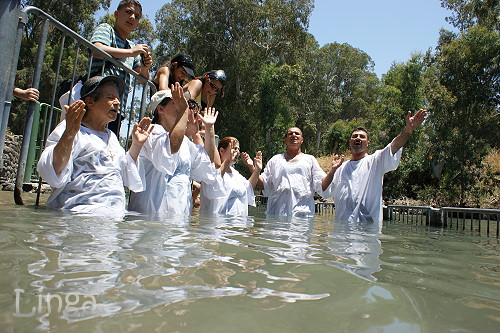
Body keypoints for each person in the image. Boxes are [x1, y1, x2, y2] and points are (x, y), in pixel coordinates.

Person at [37, 76, 153, 215]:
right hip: (79, 214)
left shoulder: (111, 137)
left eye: (118, 98)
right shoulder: (71, 128)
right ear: (90, 102)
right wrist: (69, 133)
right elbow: (52, 172)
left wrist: (136, 145)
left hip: (113, 217)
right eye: (110, 97)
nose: (117, 102)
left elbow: (125, 174)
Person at [59, 0, 152, 134]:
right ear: (116, 14)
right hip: (95, 104)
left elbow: (142, 80)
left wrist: (145, 67)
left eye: (137, 16)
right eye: (128, 12)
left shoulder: (133, 46)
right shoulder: (106, 29)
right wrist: (131, 53)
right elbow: (96, 49)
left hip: (116, 110)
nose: (132, 17)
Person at [128, 83, 220, 217]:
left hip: (177, 225)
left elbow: (209, 166)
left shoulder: (186, 143)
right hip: (149, 224)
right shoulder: (150, 132)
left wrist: (209, 129)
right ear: (161, 109)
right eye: (176, 102)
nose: (183, 105)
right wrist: (183, 109)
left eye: (183, 102)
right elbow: (170, 151)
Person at [323, 109, 427, 223]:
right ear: (350, 142)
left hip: (367, 232)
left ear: (368, 143)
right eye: (354, 136)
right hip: (340, 233)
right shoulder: (340, 168)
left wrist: (408, 129)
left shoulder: (375, 161)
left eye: (362, 137)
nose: (358, 138)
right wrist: (332, 170)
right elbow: (324, 191)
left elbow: (395, 146)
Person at [258, 127, 335, 217]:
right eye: (290, 134)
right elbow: (264, 186)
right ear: (285, 140)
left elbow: (322, 186)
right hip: (276, 217)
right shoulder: (275, 160)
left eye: (297, 133)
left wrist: (332, 171)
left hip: (302, 217)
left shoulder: (310, 160)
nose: (293, 135)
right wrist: (254, 169)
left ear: (302, 140)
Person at [199, 137, 262, 216]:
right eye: (234, 148)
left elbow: (248, 189)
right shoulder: (212, 171)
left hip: (239, 224)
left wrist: (257, 170)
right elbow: (214, 185)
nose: (238, 152)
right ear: (222, 151)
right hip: (218, 225)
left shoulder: (236, 174)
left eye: (238, 149)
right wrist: (227, 160)